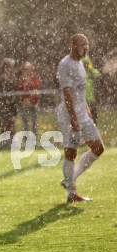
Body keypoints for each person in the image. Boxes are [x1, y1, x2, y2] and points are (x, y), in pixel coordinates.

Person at [57, 34, 105, 203]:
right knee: (71, 151)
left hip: (82, 114)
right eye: (82, 45)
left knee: (98, 148)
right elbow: (68, 93)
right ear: (73, 45)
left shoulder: (80, 63)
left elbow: (80, 92)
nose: (86, 48)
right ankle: (71, 192)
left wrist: (86, 110)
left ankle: (70, 180)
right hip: (70, 115)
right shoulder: (65, 64)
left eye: (87, 45)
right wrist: (74, 118)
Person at [0, 58, 17, 149]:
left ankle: (12, 142)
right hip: (2, 103)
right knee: (3, 123)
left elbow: (14, 86)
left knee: (11, 122)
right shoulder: (0, 76)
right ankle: (4, 142)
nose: (12, 68)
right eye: (10, 66)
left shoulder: (13, 76)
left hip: (11, 103)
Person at [17, 62, 41, 136]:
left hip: (34, 102)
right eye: (25, 69)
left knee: (34, 121)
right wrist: (24, 99)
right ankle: (26, 138)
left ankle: (34, 137)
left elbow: (37, 87)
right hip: (24, 103)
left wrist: (31, 98)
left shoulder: (35, 77)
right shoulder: (21, 78)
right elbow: (20, 89)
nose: (26, 71)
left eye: (28, 69)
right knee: (25, 122)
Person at [82, 56, 101, 124]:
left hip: (90, 97)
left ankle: (93, 124)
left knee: (92, 113)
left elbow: (97, 74)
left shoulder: (90, 73)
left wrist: (91, 69)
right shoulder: (80, 74)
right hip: (83, 98)